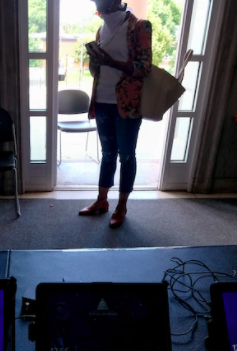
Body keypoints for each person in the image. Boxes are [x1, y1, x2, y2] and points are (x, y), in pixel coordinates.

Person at [78, 0, 152, 228]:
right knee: (108, 153)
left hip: (127, 104)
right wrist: (95, 60)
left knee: (127, 155)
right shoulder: (102, 28)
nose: (98, 7)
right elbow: (96, 71)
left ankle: (122, 206)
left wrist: (112, 62)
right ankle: (102, 201)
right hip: (102, 101)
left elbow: (145, 67)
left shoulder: (140, 26)